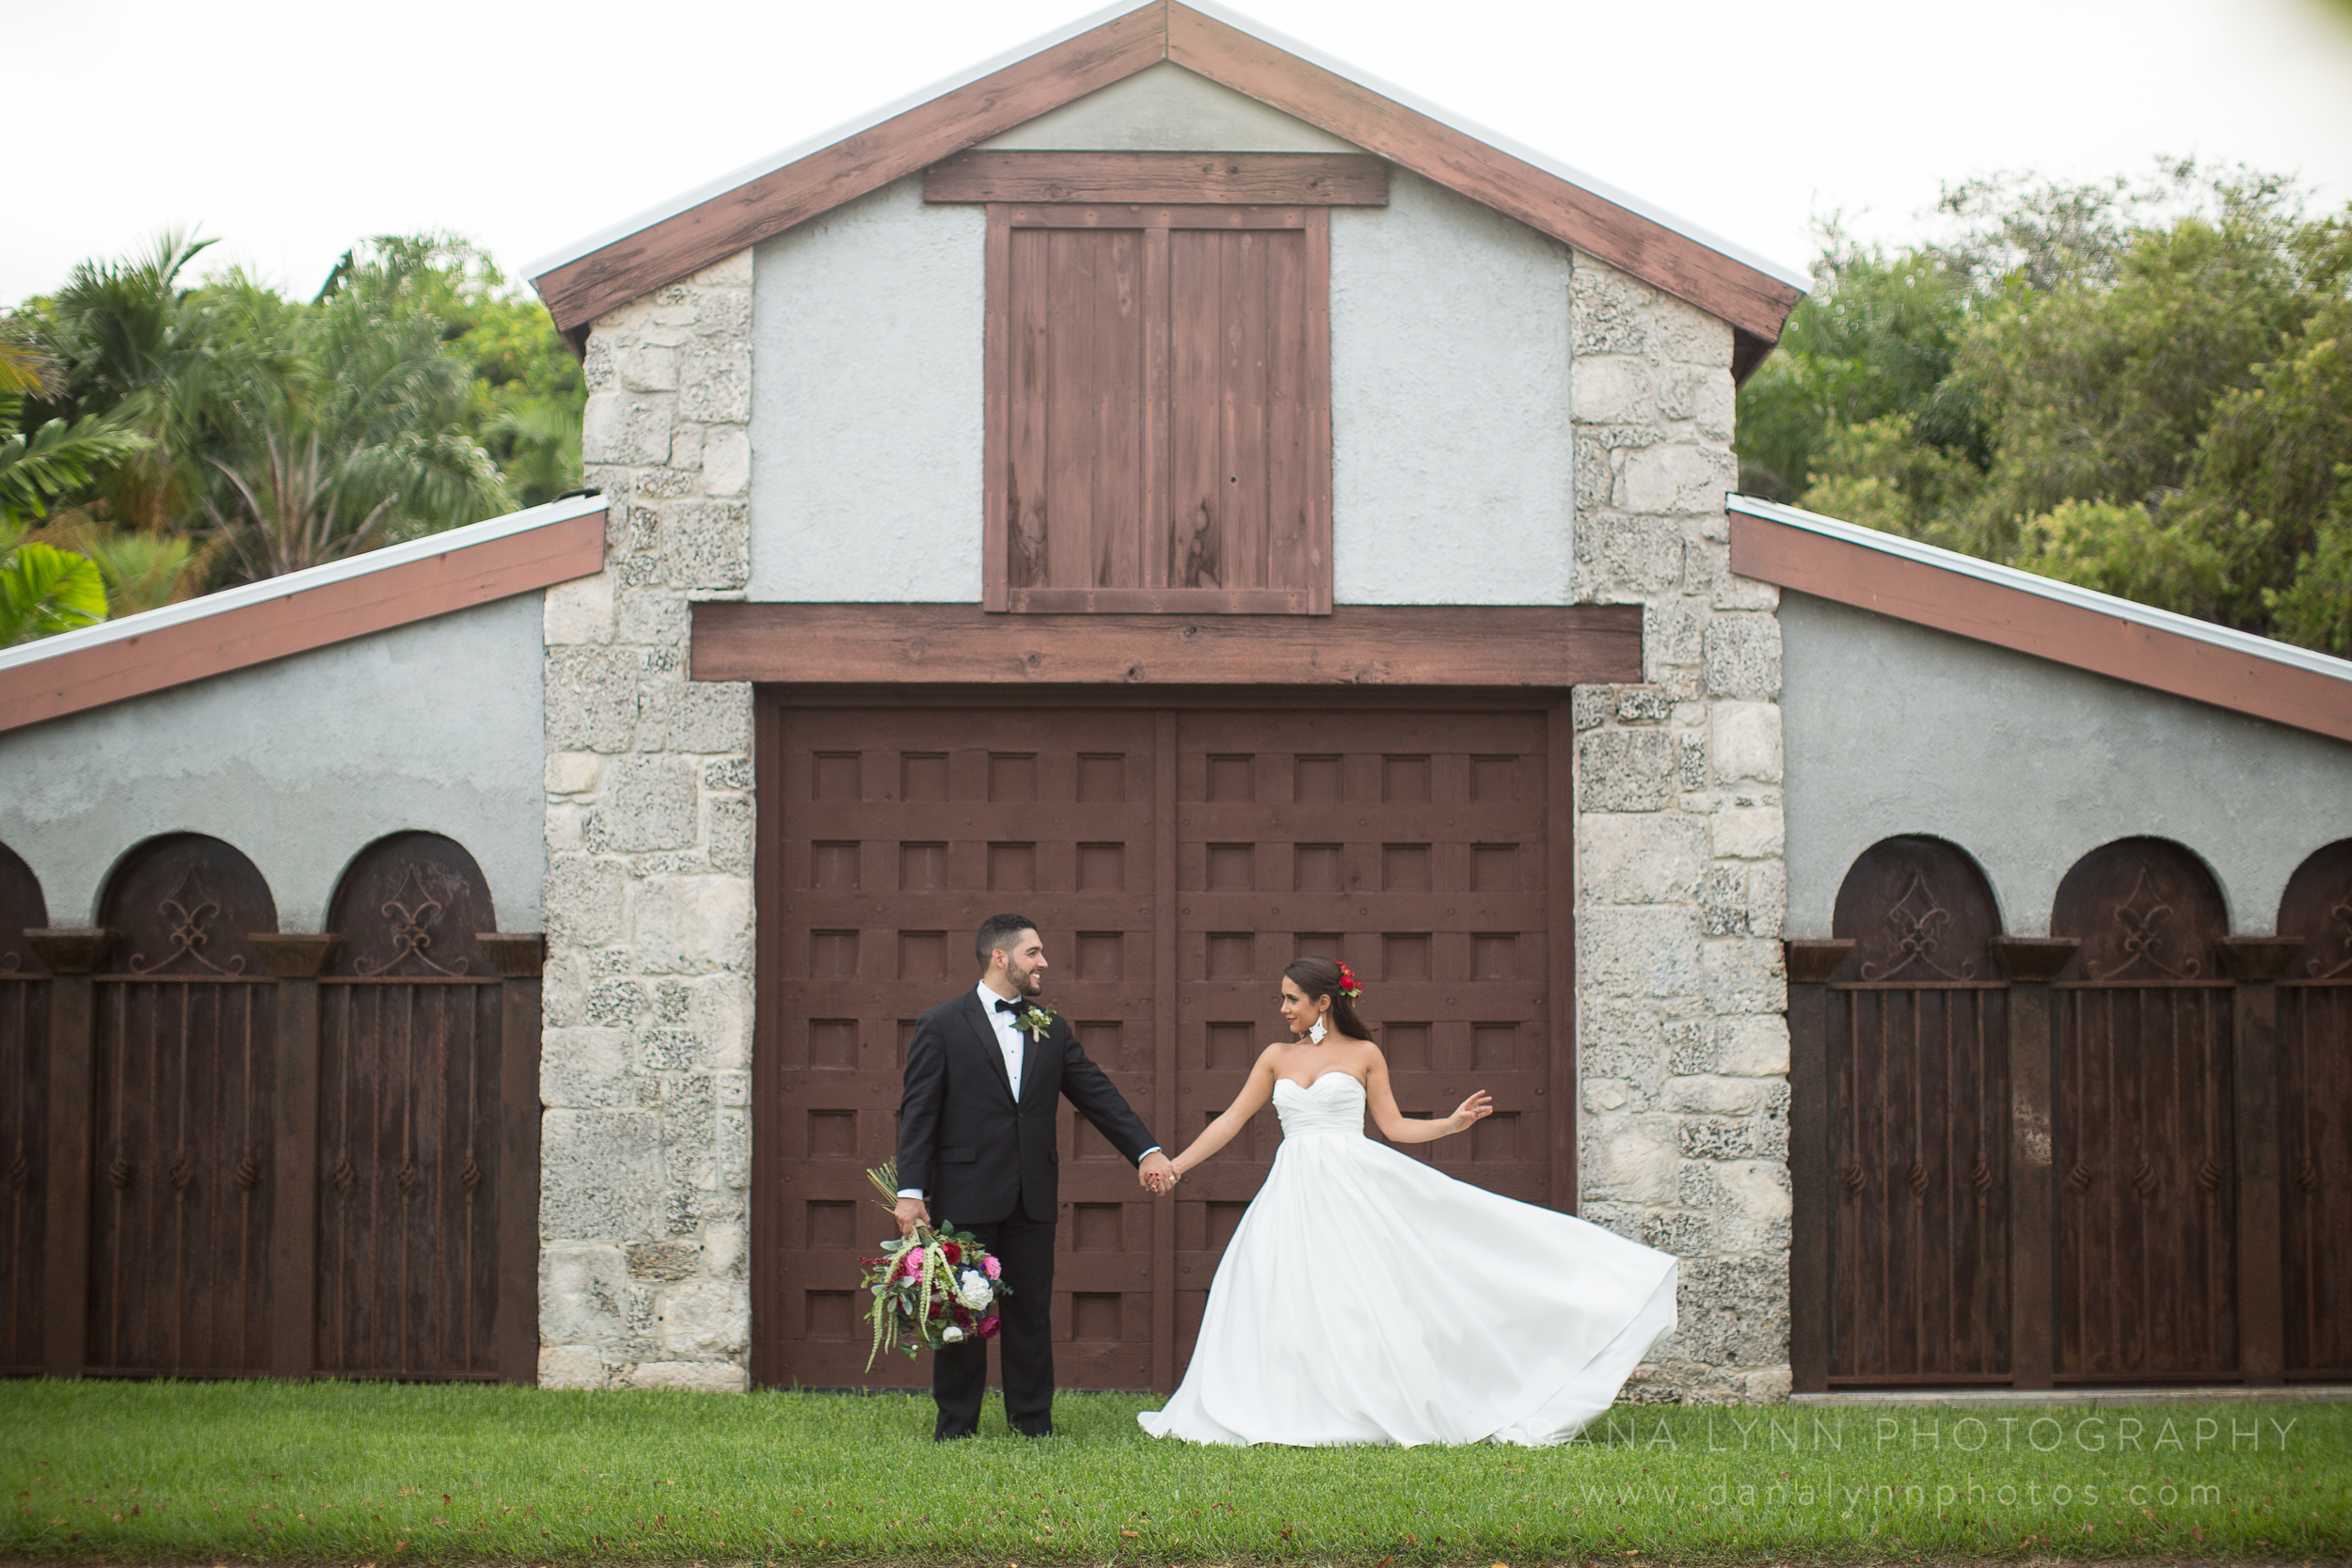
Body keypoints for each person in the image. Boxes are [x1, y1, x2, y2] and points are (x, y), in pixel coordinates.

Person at [1137, 956, 1677, 1447]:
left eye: (1291, 999)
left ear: (1324, 1002)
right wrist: (1177, 1165)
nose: (1282, 1009)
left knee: (1373, 1292)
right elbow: (1232, 1120)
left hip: (1355, 1185)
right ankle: (1293, 1403)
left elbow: (1393, 1127)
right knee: (1284, 1288)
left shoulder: (1366, 1054)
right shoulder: (1276, 1057)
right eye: (1281, 998)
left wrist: (1452, 1122)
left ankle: (1381, 1399)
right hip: (1293, 1189)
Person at [895, 913, 1178, 1440]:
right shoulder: (942, 1024)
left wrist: (1146, 1151)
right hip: (966, 1193)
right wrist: (911, 1192)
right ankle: (955, 1426)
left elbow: (1097, 1094)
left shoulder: (1051, 1026)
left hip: (1033, 1197)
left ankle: (1033, 1424)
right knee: (963, 1313)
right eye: (1034, 953)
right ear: (1000, 958)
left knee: (1030, 1316)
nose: (1044, 962)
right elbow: (918, 1113)